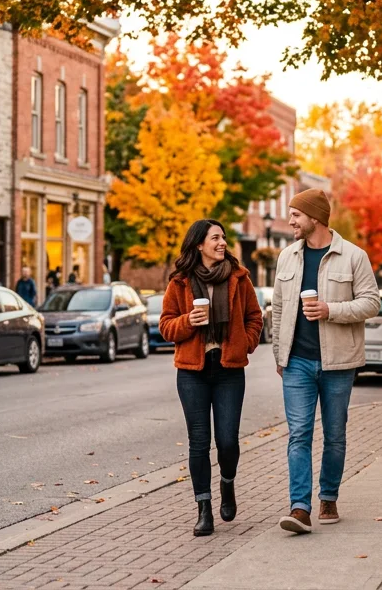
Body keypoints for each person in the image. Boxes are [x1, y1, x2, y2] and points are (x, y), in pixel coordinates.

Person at [270, 189, 380, 535]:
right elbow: (277, 309)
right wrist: (279, 354)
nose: (291, 221)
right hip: (297, 362)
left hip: (338, 363)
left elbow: (371, 303)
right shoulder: (286, 257)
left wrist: (330, 310)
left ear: (315, 217)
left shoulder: (353, 256)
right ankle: (300, 508)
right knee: (298, 434)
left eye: (296, 215)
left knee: (334, 436)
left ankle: (328, 496)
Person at [158, 219, 263, 537]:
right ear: (199, 244)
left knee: (228, 440)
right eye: (215, 238)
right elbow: (166, 325)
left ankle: (227, 483)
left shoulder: (239, 278)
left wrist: (245, 342)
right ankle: (204, 509)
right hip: (192, 372)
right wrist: (188, 321)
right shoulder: (180, 282)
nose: (222, 243)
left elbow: (254, 317)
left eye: (224, 238)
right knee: (199, 443)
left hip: (229, 369)